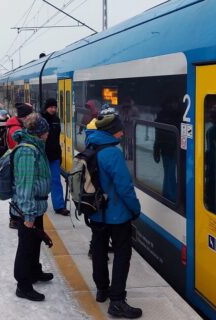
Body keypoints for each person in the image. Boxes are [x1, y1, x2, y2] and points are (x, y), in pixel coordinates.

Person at [84, 114, 143, 319]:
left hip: (95, 212)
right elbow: (125, 187)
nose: (122, 132)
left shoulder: (90, 146)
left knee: (99, 250)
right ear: (111, 132)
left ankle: (102, 290)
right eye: (119, 129)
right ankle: (117, 301)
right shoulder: (112, 153)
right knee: (122, 254)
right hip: (116, 215)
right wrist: (135, 209)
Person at [11, 114, 53, 302]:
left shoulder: (35, 147)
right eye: (46, 131)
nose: (48, 134)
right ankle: (23, 285)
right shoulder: (28, 152)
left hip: (37, 206)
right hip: (28, 208)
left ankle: (34, 272)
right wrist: (28, 214)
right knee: (26, 247)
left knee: (35, 242)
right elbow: (25, 185)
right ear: (39, 133)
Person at [5, 103, 34, 229]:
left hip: (15, 162)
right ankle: (14, 219)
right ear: (25, 116)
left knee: (17, 191)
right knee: (17, 192)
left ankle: (15, 217)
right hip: (17, 164)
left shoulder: (15, 125)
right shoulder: (16, 130)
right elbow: (19, 148)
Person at [42, 98, 69, 216]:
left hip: (54, 155)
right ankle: (38, 203)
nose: (53, 109)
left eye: (55, 107)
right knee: (41, 181)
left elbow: (57, 139)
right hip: (42, 155)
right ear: (46, 107)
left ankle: (59, 206)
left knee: (56, 180)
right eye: (51, 107)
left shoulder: (57, 120)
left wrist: (59, 153)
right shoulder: (40, 120)